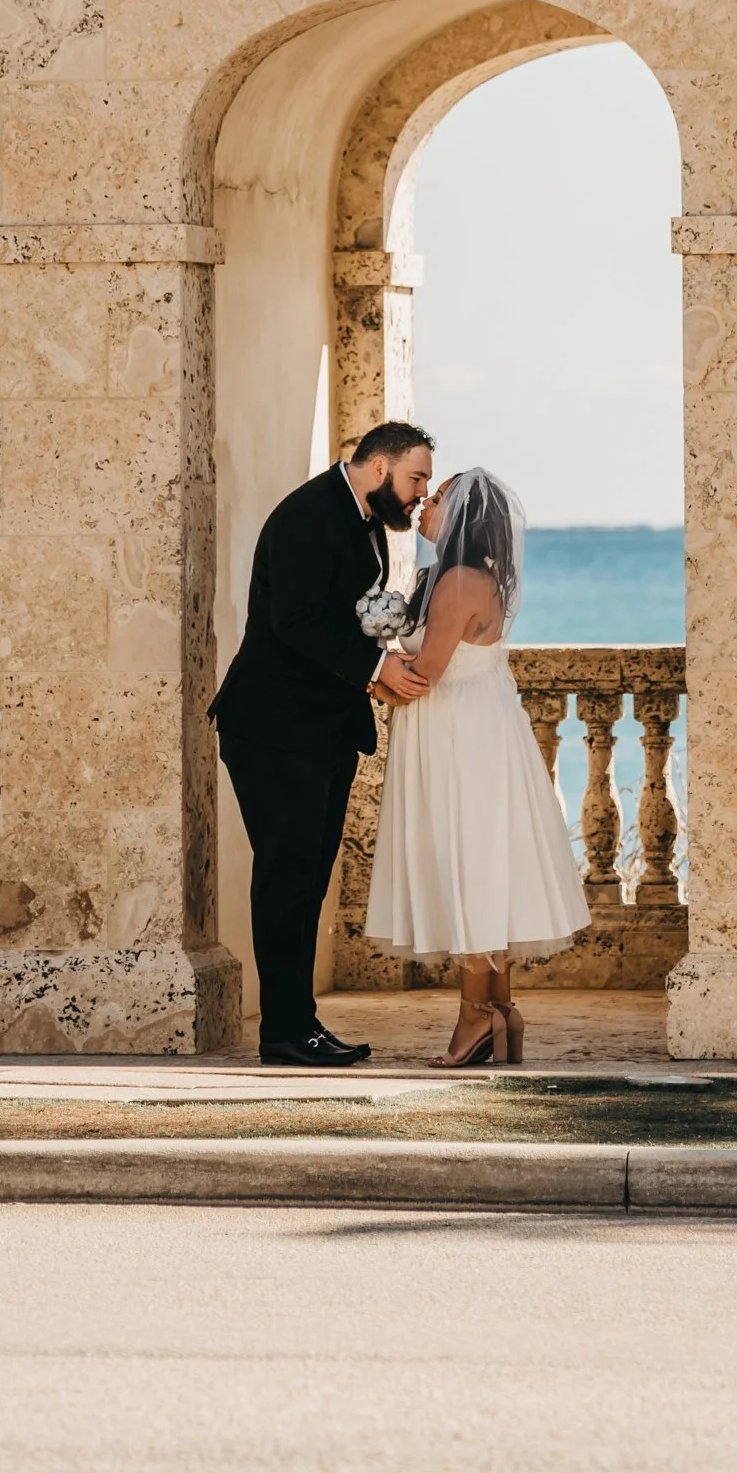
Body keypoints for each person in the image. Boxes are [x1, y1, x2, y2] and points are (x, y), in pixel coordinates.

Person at [211, 421, 436, 1067]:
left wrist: (377, 659)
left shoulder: (357, 513)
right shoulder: (311, 513)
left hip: (320, 728)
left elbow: (338, 617)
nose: (420, 492)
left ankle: (298, 1020)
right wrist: (375, 668)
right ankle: (285, 1031)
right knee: (287, 875)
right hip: (275, 727)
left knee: (306, 879)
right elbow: (295, 619)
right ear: (377, 466)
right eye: (415, 476)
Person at [364, 466, 589, 1066]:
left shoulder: (459, 582)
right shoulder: (462, 575)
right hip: (475, 725)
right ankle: (500, 1010)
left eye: (435, 499)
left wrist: (368, 672)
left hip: (457, 734)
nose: (424, 506)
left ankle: (474, 1017)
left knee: (467, 863)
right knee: (483, 863)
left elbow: (424, 677)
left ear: (461, 517)